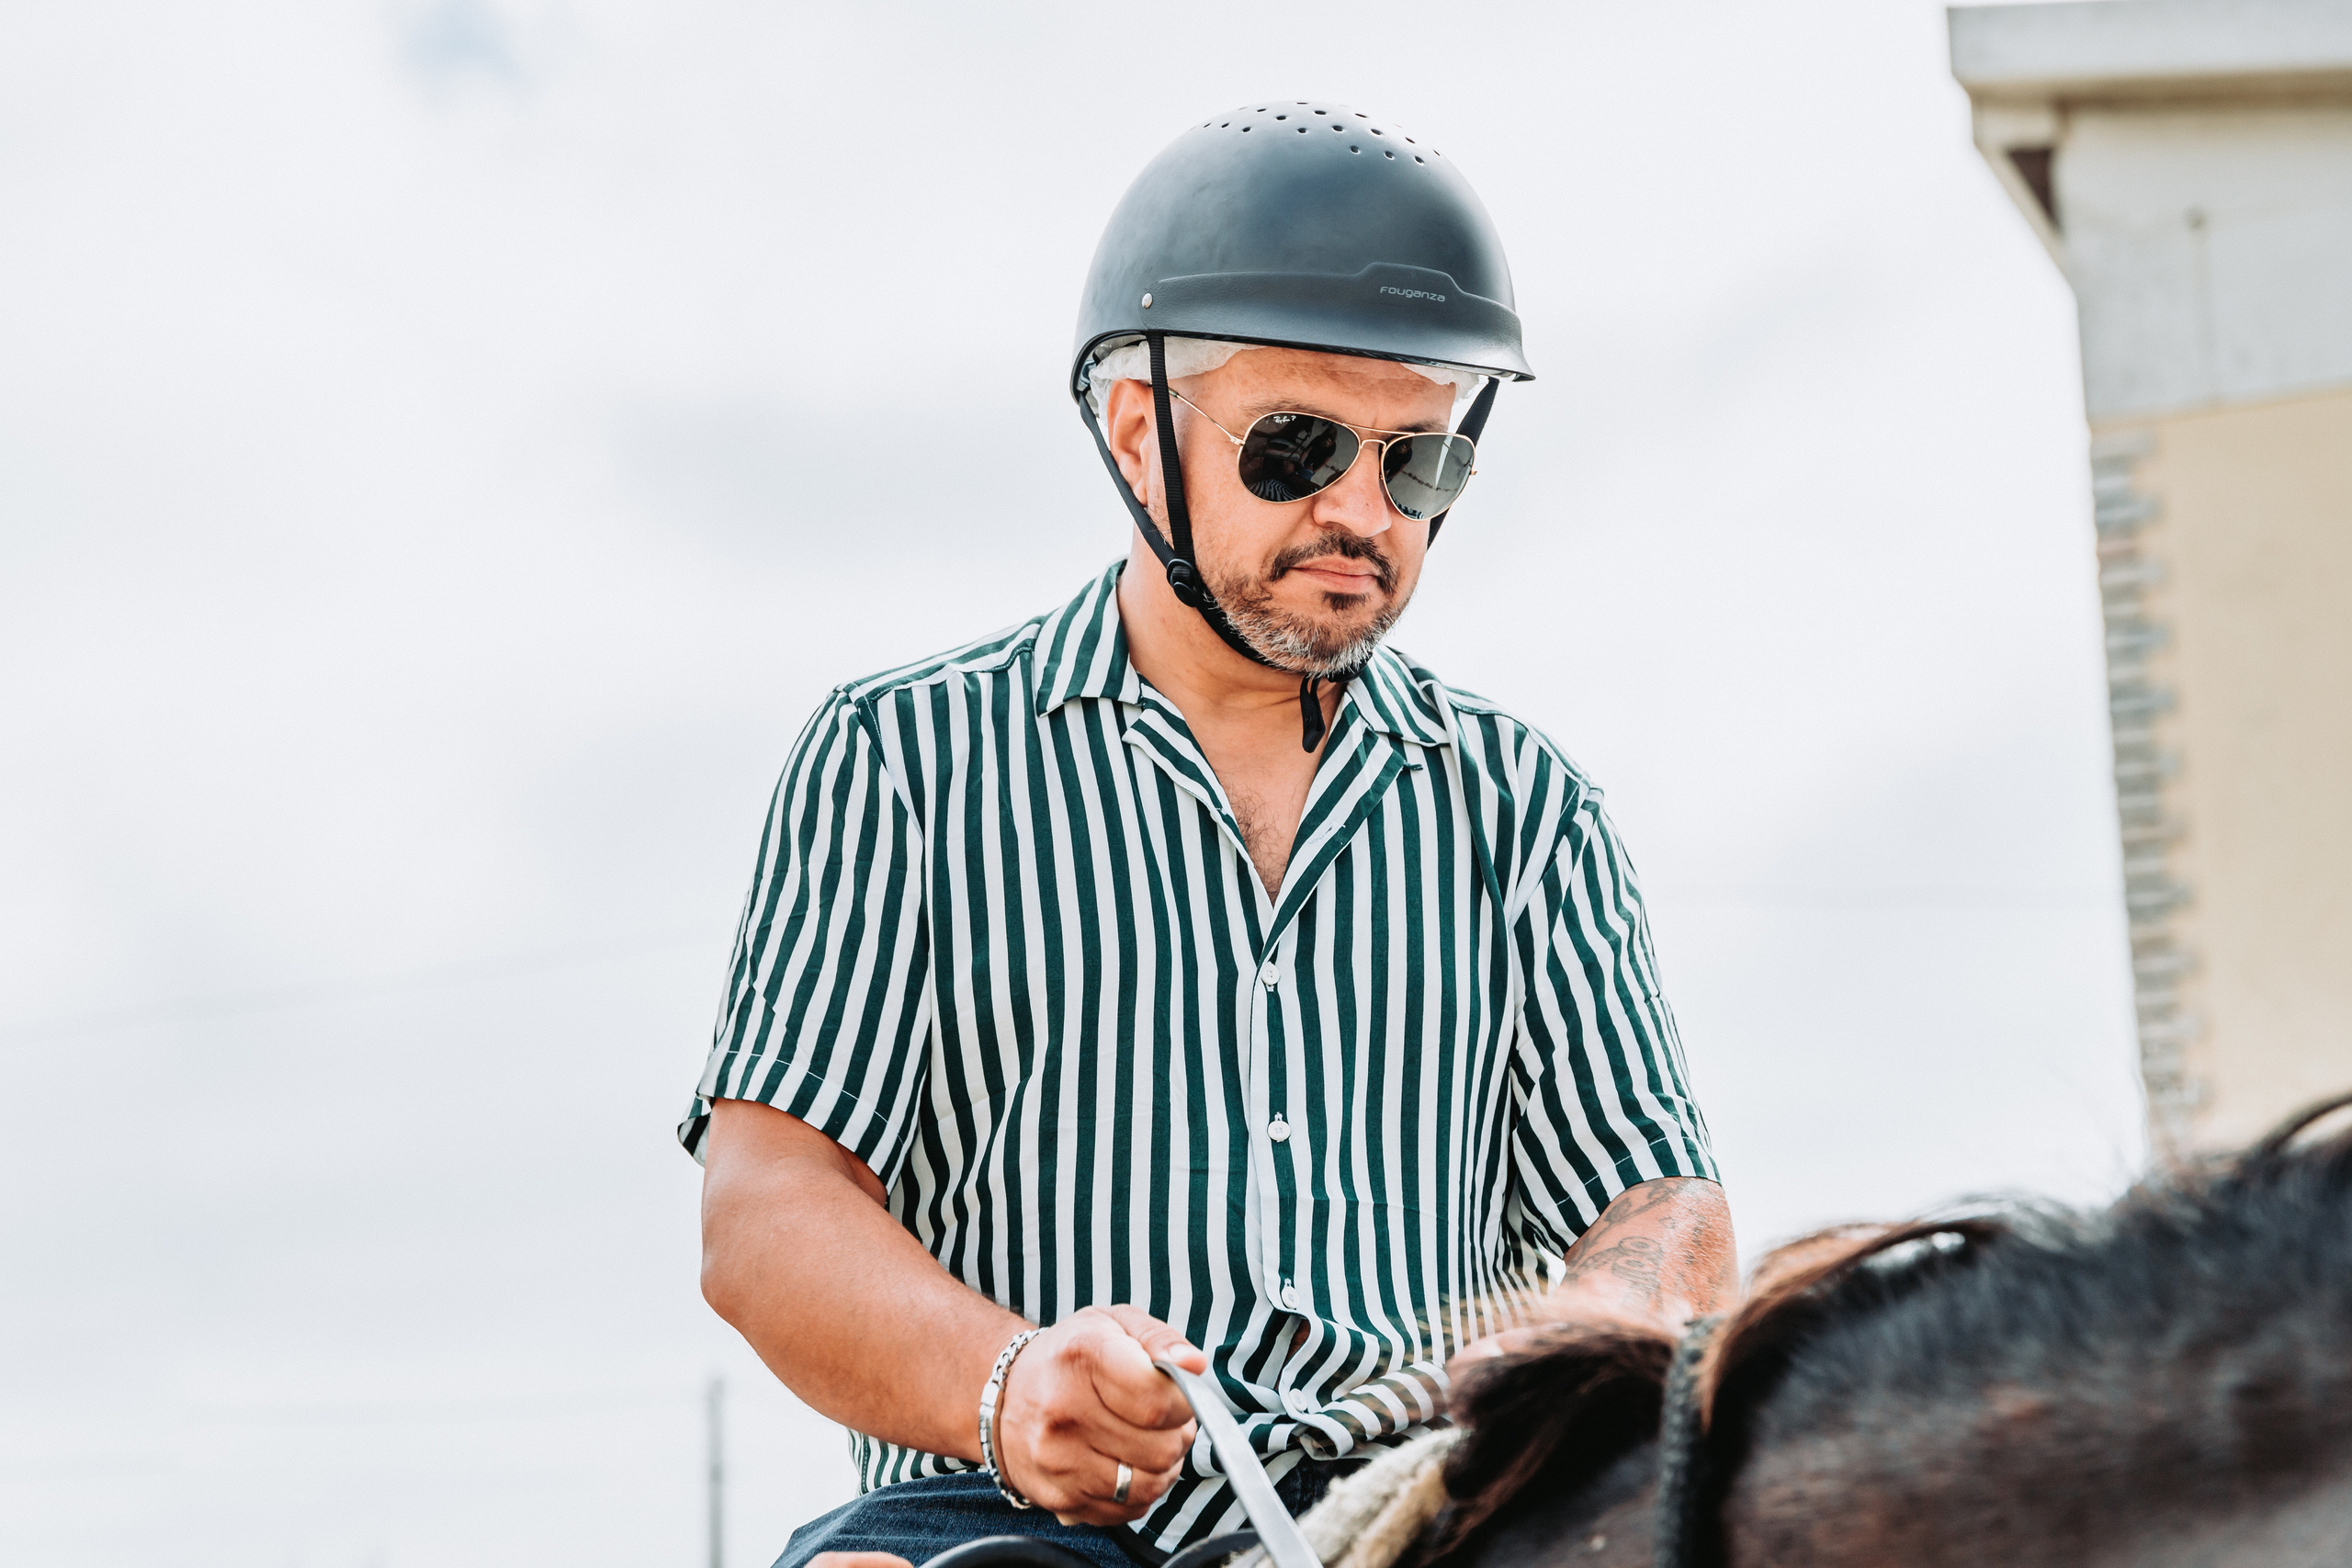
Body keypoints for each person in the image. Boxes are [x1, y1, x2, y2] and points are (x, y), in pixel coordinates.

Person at [684, 99, 1735, 1568]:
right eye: (1297, 446)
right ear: (1135, 429)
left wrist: (1614, 1320)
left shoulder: (1528, 811)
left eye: (1419, 463)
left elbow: (1656, 1195)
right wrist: (1006, 1384)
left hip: (1427, 1512)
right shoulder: (902, 762)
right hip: (1023, 1522)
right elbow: (770, 1204)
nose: (1363, 512)